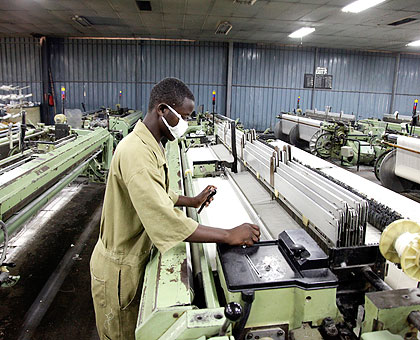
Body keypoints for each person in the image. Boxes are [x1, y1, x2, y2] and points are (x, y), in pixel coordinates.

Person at [90, 77, 260, 340]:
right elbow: (163, 218)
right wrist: (227, 234)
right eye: (183, 116)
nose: (186, 124)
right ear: (162, 110)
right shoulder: (137, 153)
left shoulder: (152, 143)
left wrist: (189, 201)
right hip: (120, 270)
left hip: (131, 259)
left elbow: (157, 193)